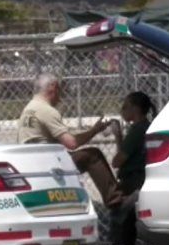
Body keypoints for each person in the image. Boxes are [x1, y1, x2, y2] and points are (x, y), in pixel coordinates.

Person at [18, 73, 121, 206]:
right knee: (94, 155)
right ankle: (116, 201)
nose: (60, 96)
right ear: (53, 88)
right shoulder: (46, 110)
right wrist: (95, 130)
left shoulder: (28, 109)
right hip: (49, 164)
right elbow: (72, 143)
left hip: (32, 163)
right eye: (59, 90)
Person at [108, 91, 155, 245]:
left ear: (135, 109)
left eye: (125, 107)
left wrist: (118, 137)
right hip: (139, 180)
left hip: (133, 182)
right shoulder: (145, 127)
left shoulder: (137, 130)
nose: (123, 110)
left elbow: (117, 161)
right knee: (127, 222)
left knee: (120, 218)